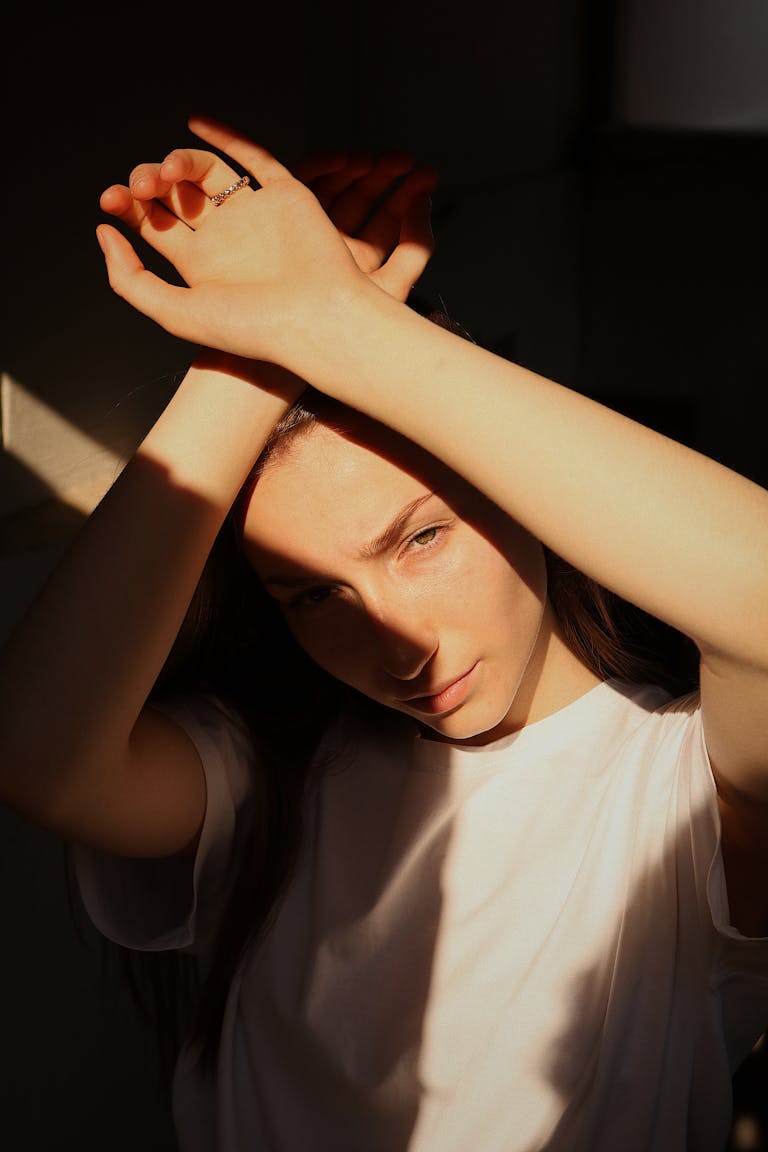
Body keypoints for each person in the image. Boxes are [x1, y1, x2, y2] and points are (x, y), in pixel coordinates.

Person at [1, 116, 767, 1152]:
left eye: (422, 539)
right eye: (314, 595)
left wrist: (345, 328)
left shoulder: (675, 794)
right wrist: (246, 357)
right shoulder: (265, 778)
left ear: (520, 494)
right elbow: (41, 755)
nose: (397, 637)